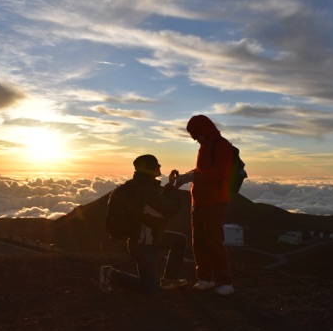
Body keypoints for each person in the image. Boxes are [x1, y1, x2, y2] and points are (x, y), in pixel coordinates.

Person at [100, 154, 188, 294]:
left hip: (149, 237)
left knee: (179, 240)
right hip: (143, 244)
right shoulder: (145, 190)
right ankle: (110, 274)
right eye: (156, 165)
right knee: (149, 288)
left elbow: (157, 202)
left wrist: (170, 185)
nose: (159, 166)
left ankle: (169, 280)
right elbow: (170, 208)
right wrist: (175, 187)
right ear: (150, 169)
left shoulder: (140, 186)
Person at [175, 115, 235, 296]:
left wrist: (194, 177)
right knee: (199, 243)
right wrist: (187, 176)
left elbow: (220, 173)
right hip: (200, 202)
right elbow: (203, 171)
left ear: (204, 131)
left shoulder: (222, 146)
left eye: (195, 135)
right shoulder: (205, 146)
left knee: (214, 242)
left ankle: (225, 282)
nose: (194, 139)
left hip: (215, 202)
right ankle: (206, 279)